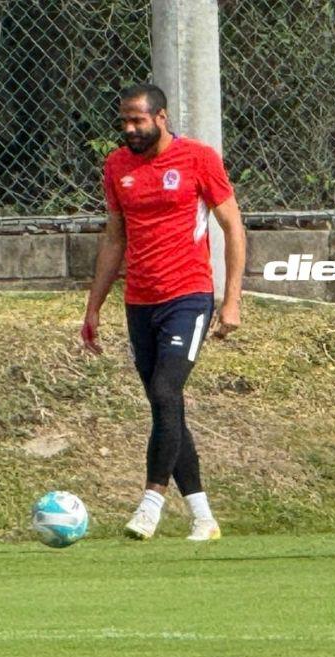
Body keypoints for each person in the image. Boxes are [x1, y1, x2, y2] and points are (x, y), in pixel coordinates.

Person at [81, 83, 246, 542]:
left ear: (161, 118)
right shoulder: (116, 166)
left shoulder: (198, 159)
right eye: (124, 122)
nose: (130, 129)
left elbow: (233, 227)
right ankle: (203, 517)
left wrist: (230, 300)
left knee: (165, 389)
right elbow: (115, 238)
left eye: (138, 120)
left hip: (188, 296)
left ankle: (150, 503)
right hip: (139, 300)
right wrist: (93, 307)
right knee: (164, 406)